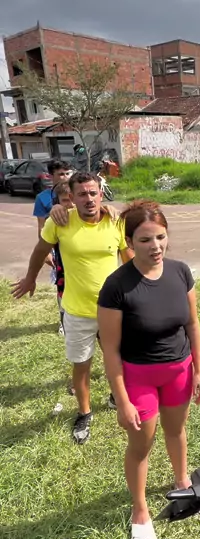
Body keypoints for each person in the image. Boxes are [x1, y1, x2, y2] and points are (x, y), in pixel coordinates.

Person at [97, 201, 200, 539]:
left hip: (179, 370)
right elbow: (110, 349)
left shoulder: (180, 272)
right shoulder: (117, 286)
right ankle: (140, 510)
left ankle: (183, 483)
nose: (155, 246)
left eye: (160, 237)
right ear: (129, 242)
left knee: (176, 430)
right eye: (145, 240)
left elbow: (193, 324)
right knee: (141, 444)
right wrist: (122, 400)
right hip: (139, 377)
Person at [11, 172, 133, 444]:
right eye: (82, 194)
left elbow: (130, 260)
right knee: (81, 365)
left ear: (101, 194)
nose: (89, 199)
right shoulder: (60, 221)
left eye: (93, 193)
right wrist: (30, 278)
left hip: (112, 310)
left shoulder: (115, 221)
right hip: (77, 311)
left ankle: (116, 397)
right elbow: (40, 250)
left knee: (118, 358)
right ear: (72, 197)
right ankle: (84, 413)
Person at [33, 159, 73, 334]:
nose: (65, 177)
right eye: (61, 174)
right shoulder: (42, 198)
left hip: (78, 245)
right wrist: (46, 253)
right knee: (62, 285)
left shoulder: (78, 190)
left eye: (68, 173)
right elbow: (41, 227)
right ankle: (64, 321)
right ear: (51, 176)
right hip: (58, 248)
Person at [49, 180, 75, 337]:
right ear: (56, 202)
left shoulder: (85, 215)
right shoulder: (57, 218)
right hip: (63, 266)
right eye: (65, 200)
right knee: (63, 294)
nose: (70, 204)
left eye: (72, 199)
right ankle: (63, 321)